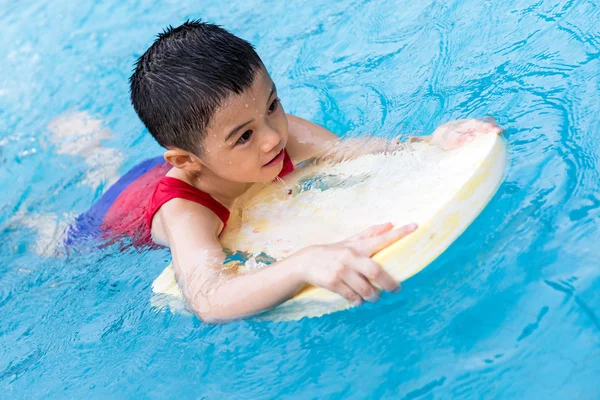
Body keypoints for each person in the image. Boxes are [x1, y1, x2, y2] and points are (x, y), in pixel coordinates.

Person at [75, 20, 502, 322]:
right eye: (244, 135)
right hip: (114, 220)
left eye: (272, 105)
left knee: (111, 166)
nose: (272, 138)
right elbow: (208, 299)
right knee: (53, 239)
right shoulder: (186, 212)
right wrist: (302, 264)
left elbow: (352, 154)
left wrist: (432, 143)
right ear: (188, 160)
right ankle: (78, 163)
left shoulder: (270, 131)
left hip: (171, 162)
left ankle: (95, 151)